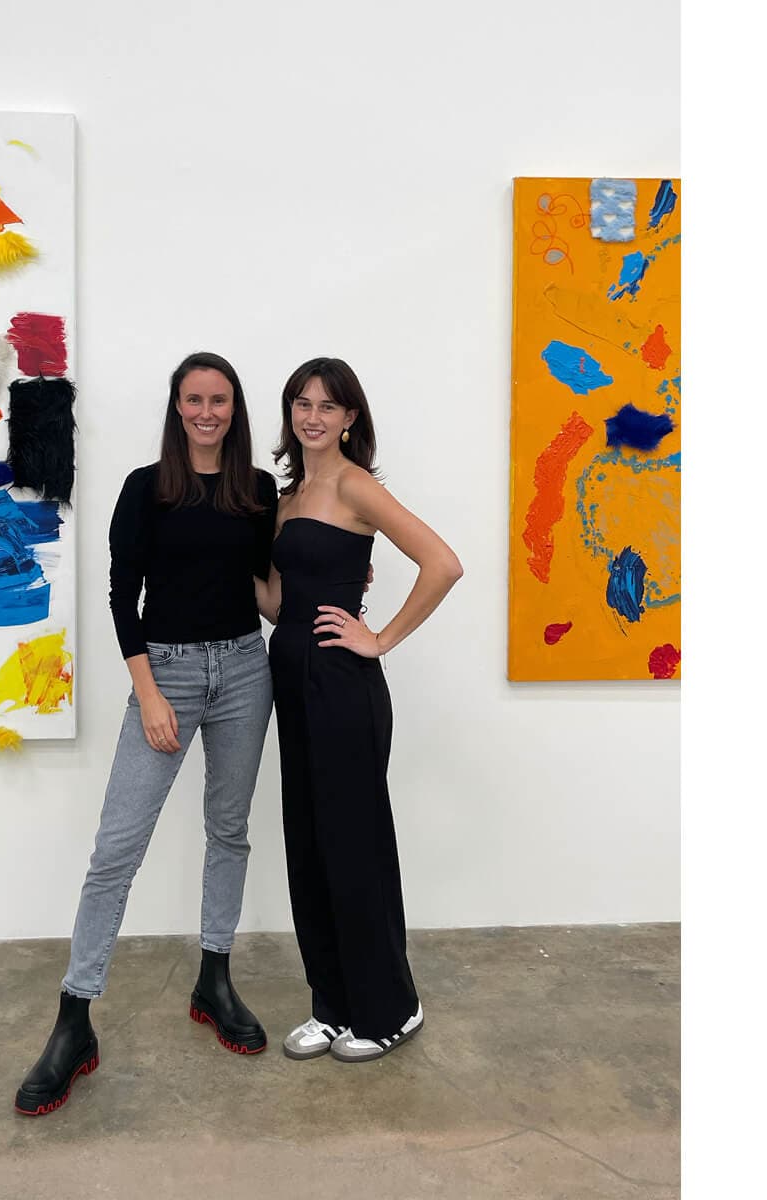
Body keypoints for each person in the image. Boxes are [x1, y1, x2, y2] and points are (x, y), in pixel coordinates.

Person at [15, 352, 279, 1116]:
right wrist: (149, 692)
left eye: (219, 400)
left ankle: (213, 980)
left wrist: (330, 583)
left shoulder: (258, 491)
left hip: (245, 670)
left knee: (228, 831)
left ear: (235, 409)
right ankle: (74, 1019)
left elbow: (265, 594)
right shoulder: (146, 488)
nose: (207, 412)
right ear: (177, 407)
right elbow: (119, 595)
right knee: (115, 852)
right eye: (194, 399)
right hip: (165, 674)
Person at [256, 356, 462, 1064]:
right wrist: (214, 556)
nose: (312, 416)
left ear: (349, 418)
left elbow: (443, 563)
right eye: (301, 403)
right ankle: (333, 1005)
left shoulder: (354, 485)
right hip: (291, 677)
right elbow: (278, 602)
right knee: (309, 843)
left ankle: (391, 1008)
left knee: (353, 844)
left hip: (344, 684)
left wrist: (380, 638)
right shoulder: (287, 498)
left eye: (327, 406)